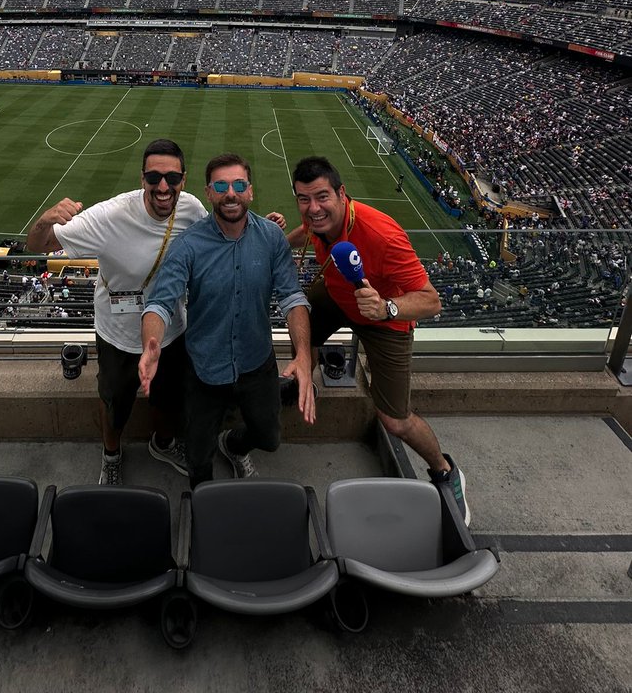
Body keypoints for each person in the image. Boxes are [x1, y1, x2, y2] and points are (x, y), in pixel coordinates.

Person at [286, 155, 470, 523]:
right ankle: (306, 382)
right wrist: (275, 241)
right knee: (300, 331)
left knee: (395, 420)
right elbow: (304, 232)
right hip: (340, 297)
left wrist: (386, 308)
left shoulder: (381, 235)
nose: (313, 208)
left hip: (385, 320)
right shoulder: (315, 220)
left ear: (342, 194)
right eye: (304, 199)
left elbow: (432, 300)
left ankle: (445, 470)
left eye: (321, 197)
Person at [25, 138, 207, 486]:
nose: (163, 186)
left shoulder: (192, 209)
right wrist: (45, 219)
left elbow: (217, 238)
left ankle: (164, 444)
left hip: (171, 330)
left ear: (184, 180)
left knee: (169, 398)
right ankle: (111, 454)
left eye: (172, 178)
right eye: (154, 177)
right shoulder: (109, 216)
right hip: (118, 333)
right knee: (114, 402)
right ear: (142, 179)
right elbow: (37, 246)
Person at [140, 152, 314, 487]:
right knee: (197, 455)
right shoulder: (189, 245)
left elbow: (293, 298)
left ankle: (234, 444)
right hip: (205, 368)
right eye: (221, 185)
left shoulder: (271, 238)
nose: (230, 192)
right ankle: (203, 501)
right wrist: (152, 344)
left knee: (269, 437)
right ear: (208, 193)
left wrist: (303, 354)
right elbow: (160, 303)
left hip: (256, 362)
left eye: (238, 185)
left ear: (250, 191)